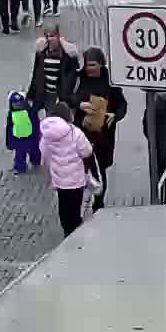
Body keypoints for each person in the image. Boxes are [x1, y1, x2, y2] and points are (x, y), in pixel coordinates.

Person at [72, 48, 128, 211]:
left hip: (104, 133)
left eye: (93, 65)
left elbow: (122, 104)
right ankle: (81, 199)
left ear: (101, 64)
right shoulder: (78, 78)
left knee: (100, 167)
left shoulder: (111, 81)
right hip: (83, 131)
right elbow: (67, 95)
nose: (90, 68)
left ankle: (99, 200)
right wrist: (80, 104)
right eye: (88, 65)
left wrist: (115, 116)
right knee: (81, 166)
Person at [37, 102, 95, 237]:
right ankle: (75, 233)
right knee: (75, 208)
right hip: (76, 180)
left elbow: (44, 154)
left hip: (59, 179)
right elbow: (86, 152)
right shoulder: (75, 133)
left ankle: (66, 230)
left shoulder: (47, 135)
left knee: (63, 206)